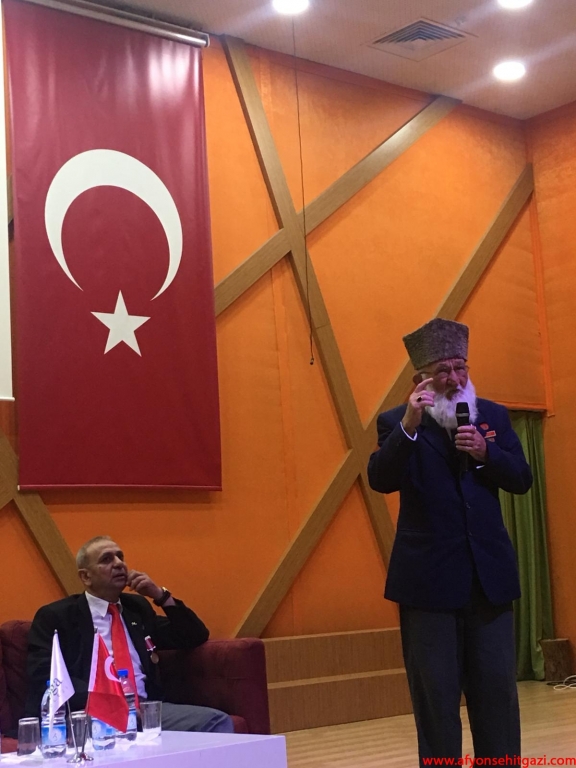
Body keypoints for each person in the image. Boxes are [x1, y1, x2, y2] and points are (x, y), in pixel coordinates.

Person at [367, 318, 532, 767]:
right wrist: (409, 424)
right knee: (436, 703)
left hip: (489, 583)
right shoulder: (397, 423)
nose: (455, 379)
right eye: (444, 370)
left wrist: (486, 452)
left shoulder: (492, 416)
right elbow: (381, 479)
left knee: (497, 698)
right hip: (428, 587)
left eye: (461, 367)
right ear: (420, 378)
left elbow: (521, 479)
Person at [25, 535, 234, 733]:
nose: (119, 564)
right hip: (91, 711)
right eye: (107, 559)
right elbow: (45, 672)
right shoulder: (57, 616)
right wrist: (107, 702)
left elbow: (194, 635)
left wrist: (160, 595)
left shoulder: (136, 609)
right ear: (86, 576)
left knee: (216, 722)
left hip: (144, 709)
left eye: (120, 557)